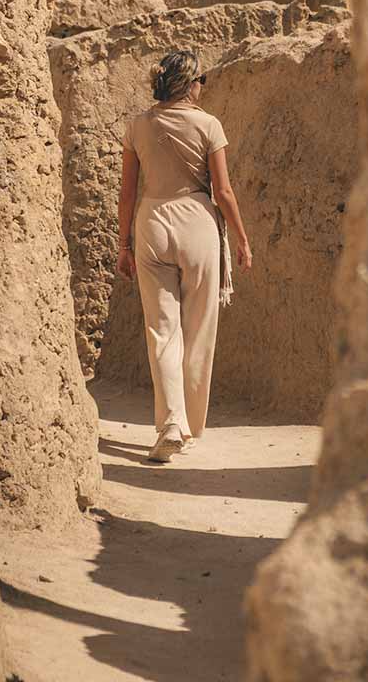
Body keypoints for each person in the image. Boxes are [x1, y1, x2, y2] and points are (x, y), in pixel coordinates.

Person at [116, 48, 252, 462]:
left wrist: (123, 244)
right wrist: (243, 241)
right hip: (198, 224)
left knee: (162, 330)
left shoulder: (138, 125)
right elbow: (223, 191)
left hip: (152, 220)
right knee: (198, 331)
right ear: (191, 84)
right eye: (200, 81)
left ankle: (171, 423)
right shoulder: (208, 125)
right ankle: (188, 429)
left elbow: (127, 192)